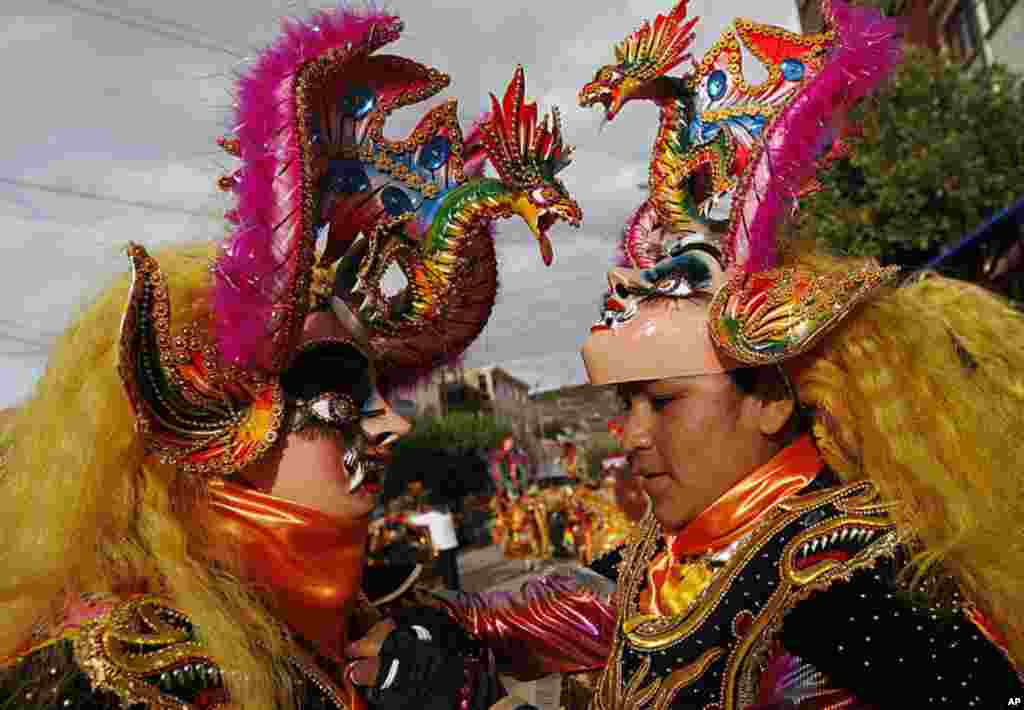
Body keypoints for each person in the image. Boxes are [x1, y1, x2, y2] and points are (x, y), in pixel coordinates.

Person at [349, 1, 1024, 707]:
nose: (634, 435)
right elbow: (562, 608)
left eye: (664, 400)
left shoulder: (851, 587)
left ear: (767, 396)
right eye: (626, 403)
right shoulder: (674, 549)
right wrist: (442, 635)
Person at [0, 4, 582, 710]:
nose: (393, 428)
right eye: (341, 402)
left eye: (381, 399)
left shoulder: (345, 622)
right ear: (210, 431)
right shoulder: (120, 677)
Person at [408, 496, 463, 591]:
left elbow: (414, 520)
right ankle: (455, 588)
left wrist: (410, 515)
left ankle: (452, 591)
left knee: (446, 571)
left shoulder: (432, 516)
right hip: (452, 545)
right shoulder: (446, 512)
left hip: (442, 547)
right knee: (452, 569)